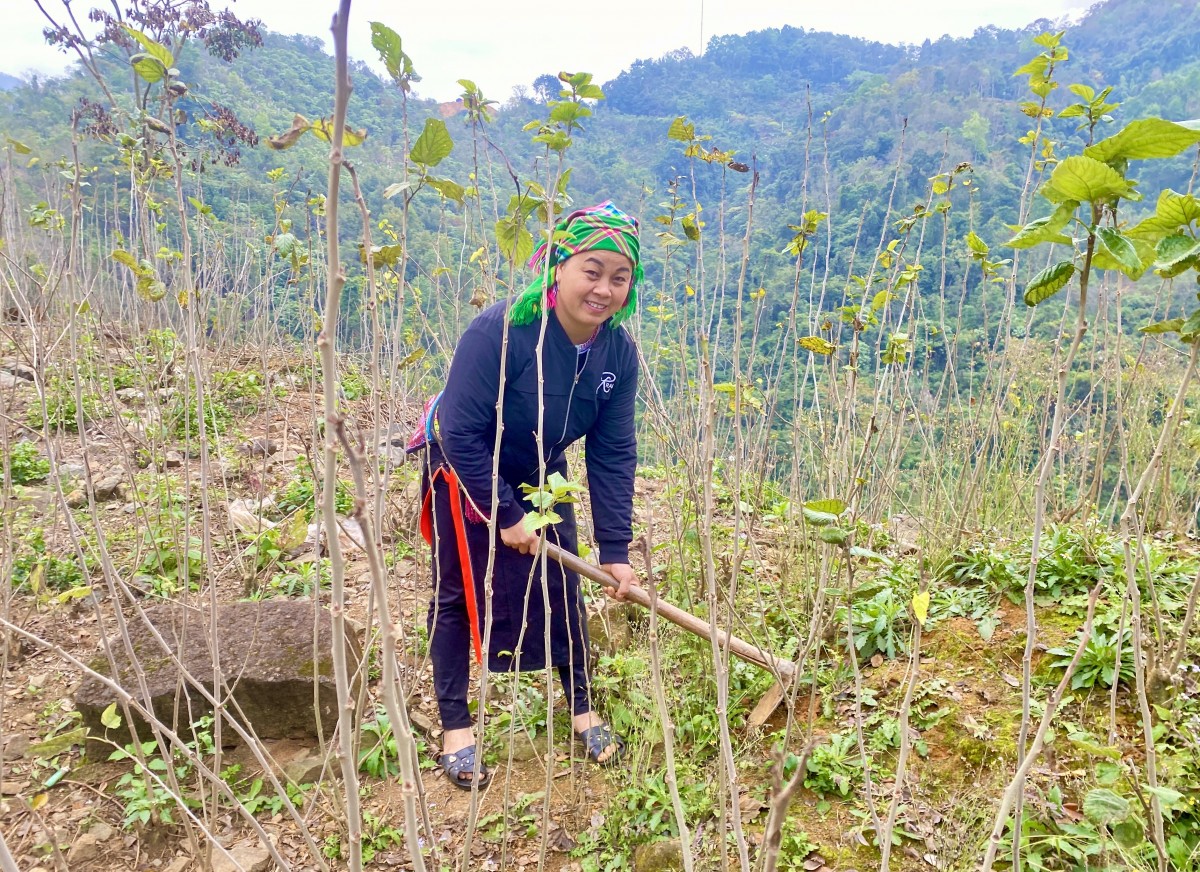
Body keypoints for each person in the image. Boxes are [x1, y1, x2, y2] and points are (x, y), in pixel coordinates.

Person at [409, 201, 643, 790]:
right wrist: (503, 511)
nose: (603, 289)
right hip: (465, 463)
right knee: (460, 588)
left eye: (619, 277)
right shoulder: (500, 331)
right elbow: (461, 430)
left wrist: (615, 548)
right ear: (558, 266)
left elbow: (612, 452)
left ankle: (583, 709)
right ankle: (456, 730)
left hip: (543, 468)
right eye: (592, 270)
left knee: (566, 584)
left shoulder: (617, 353)